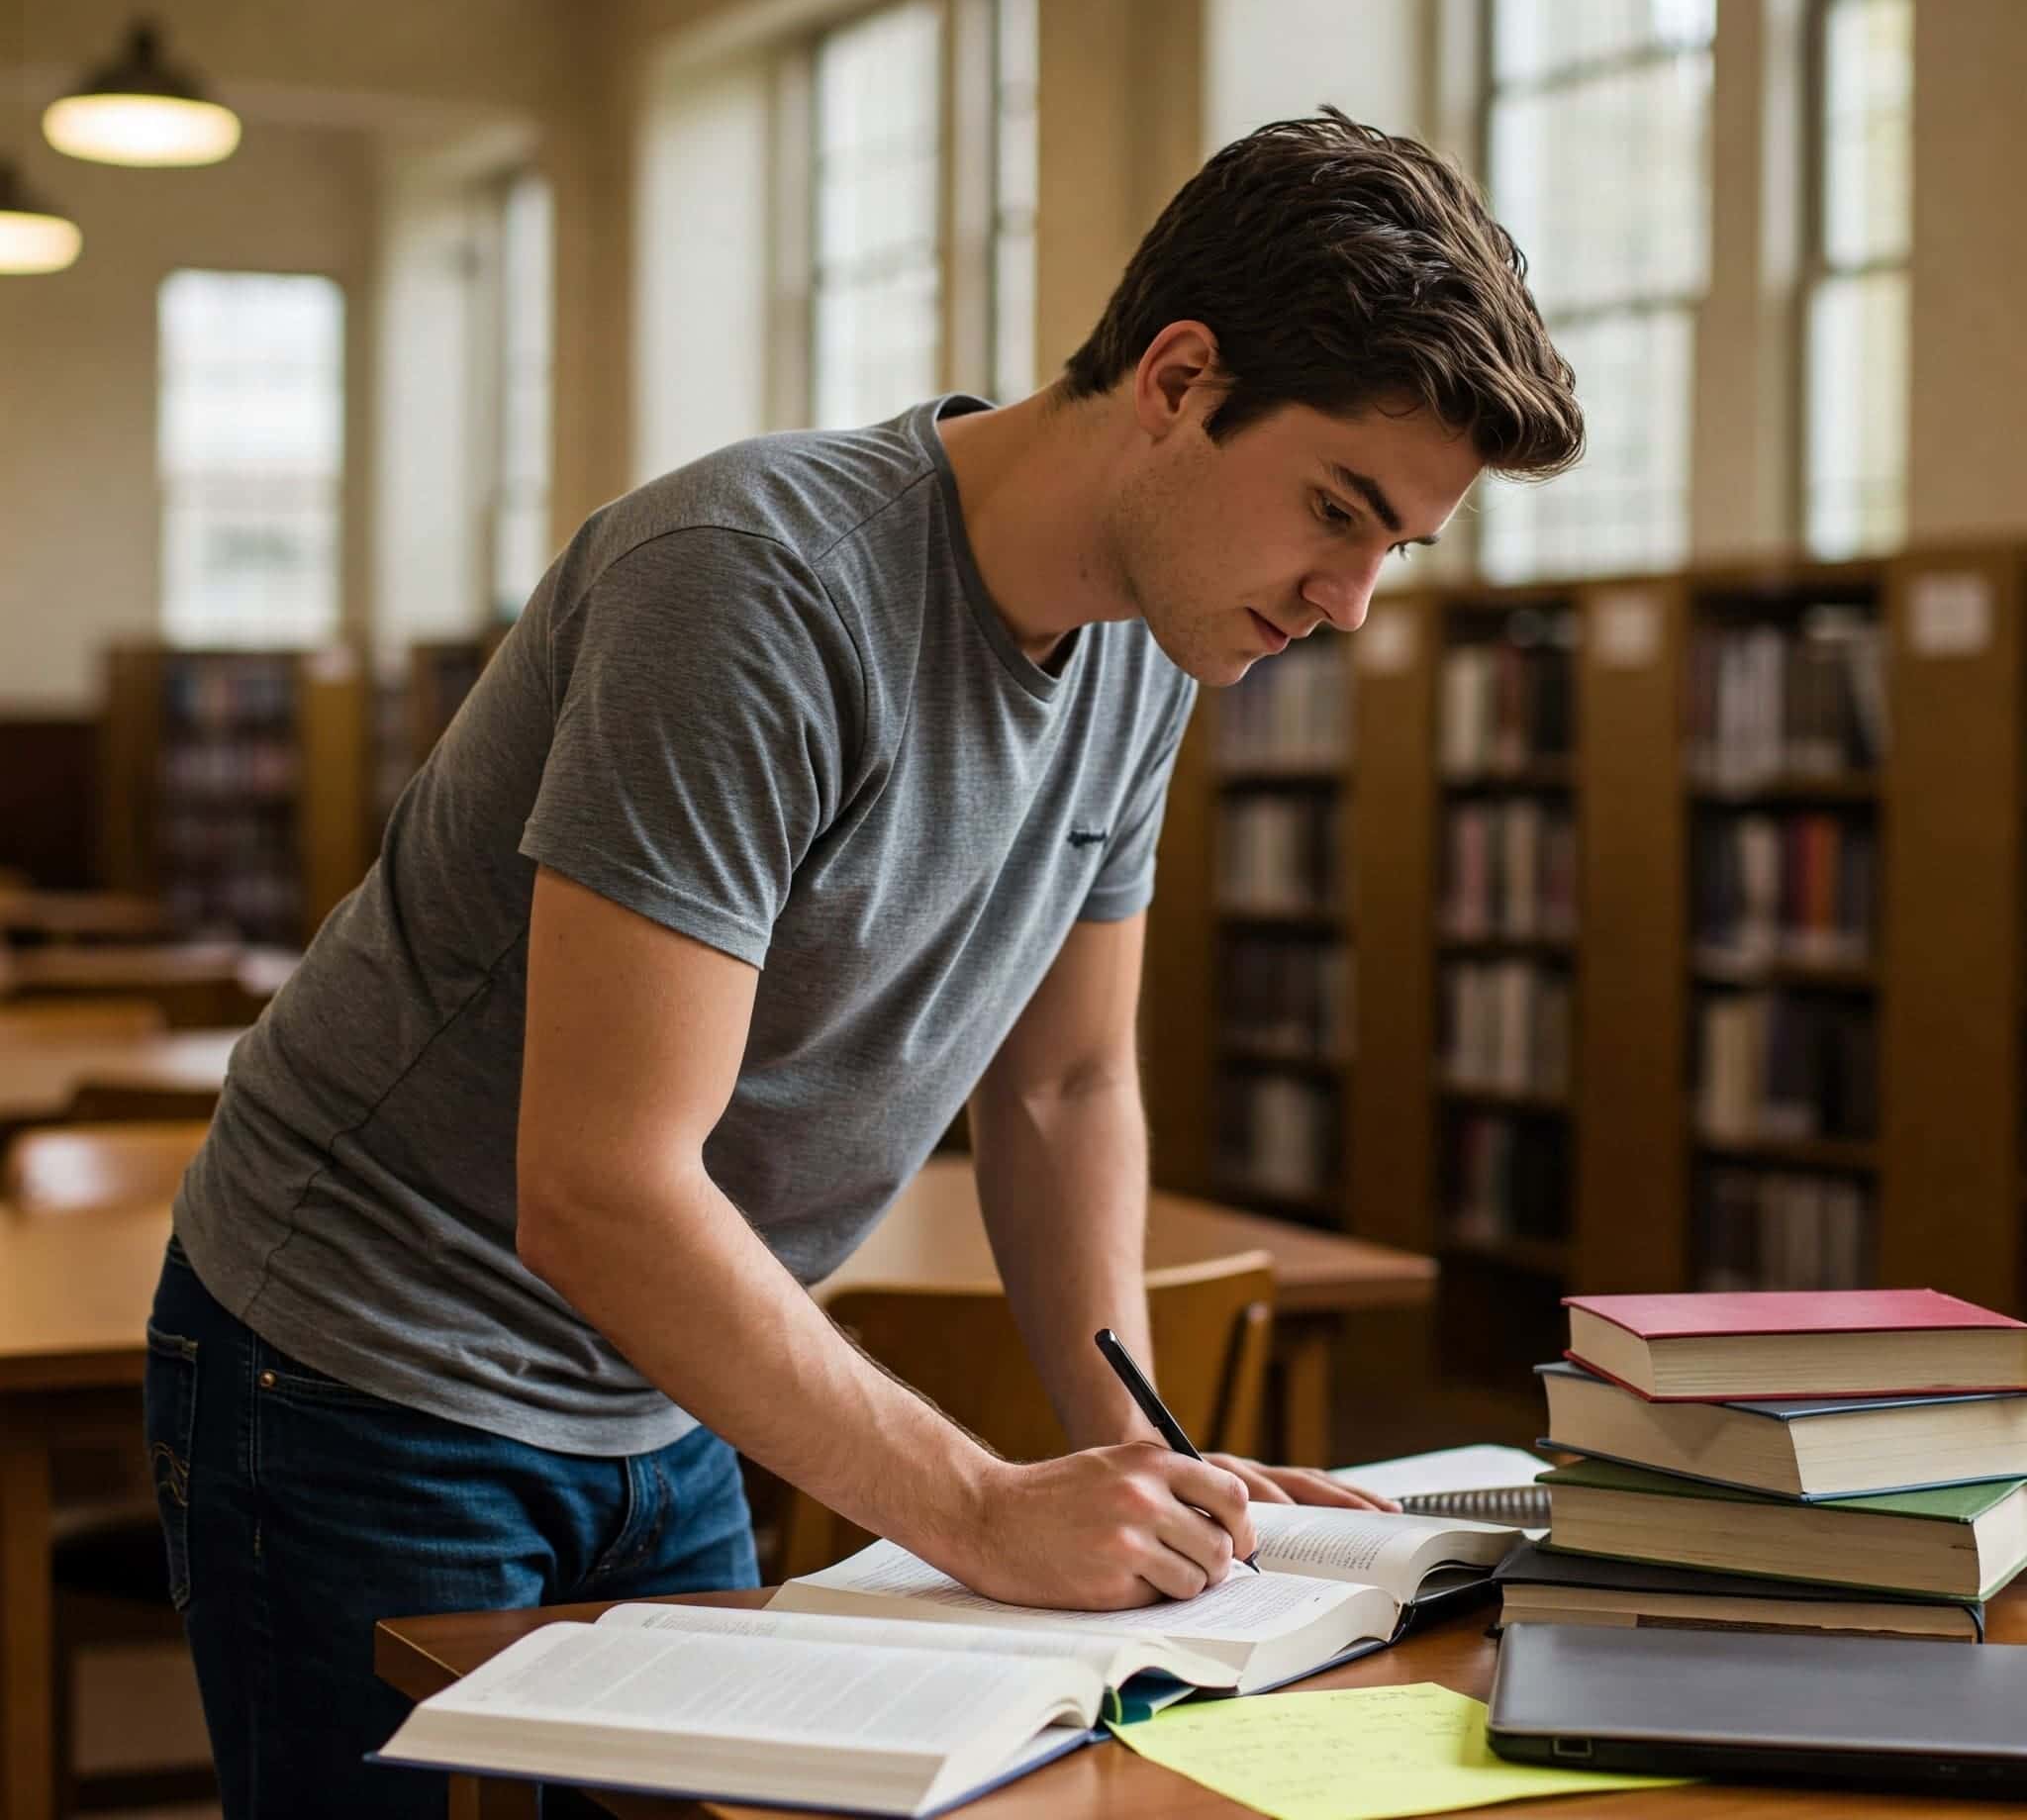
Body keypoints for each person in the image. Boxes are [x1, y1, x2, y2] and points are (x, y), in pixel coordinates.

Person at [146, 107, 1583, 1817]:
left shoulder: (1153, 644)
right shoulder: (755, 586)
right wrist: (978, 1504)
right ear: (1180, 380)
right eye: (1337, 512)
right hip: (359, 1359)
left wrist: (1144, 1452)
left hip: (668, 1376)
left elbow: (1064, 1081)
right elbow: (598, 1186)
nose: (1349, 602)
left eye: (1394, 551)